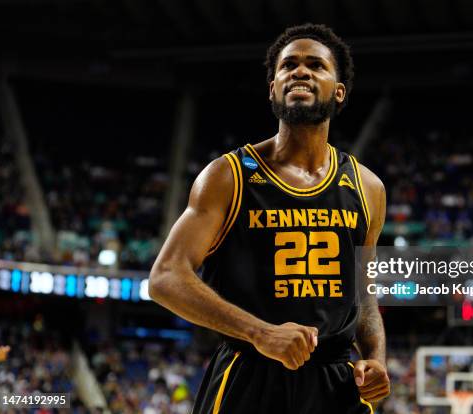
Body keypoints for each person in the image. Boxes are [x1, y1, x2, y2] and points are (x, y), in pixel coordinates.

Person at [149, 23, 390, 413]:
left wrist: (376, 357)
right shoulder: (229, 176)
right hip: (249, 373)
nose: (300, 71)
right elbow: (165, 278)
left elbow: (364, 295)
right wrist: (259, 333)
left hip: (336, 382)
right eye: (288, 65)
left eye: (316, 65)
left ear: (339, 91)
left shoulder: (367, 187)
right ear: (273, 88)